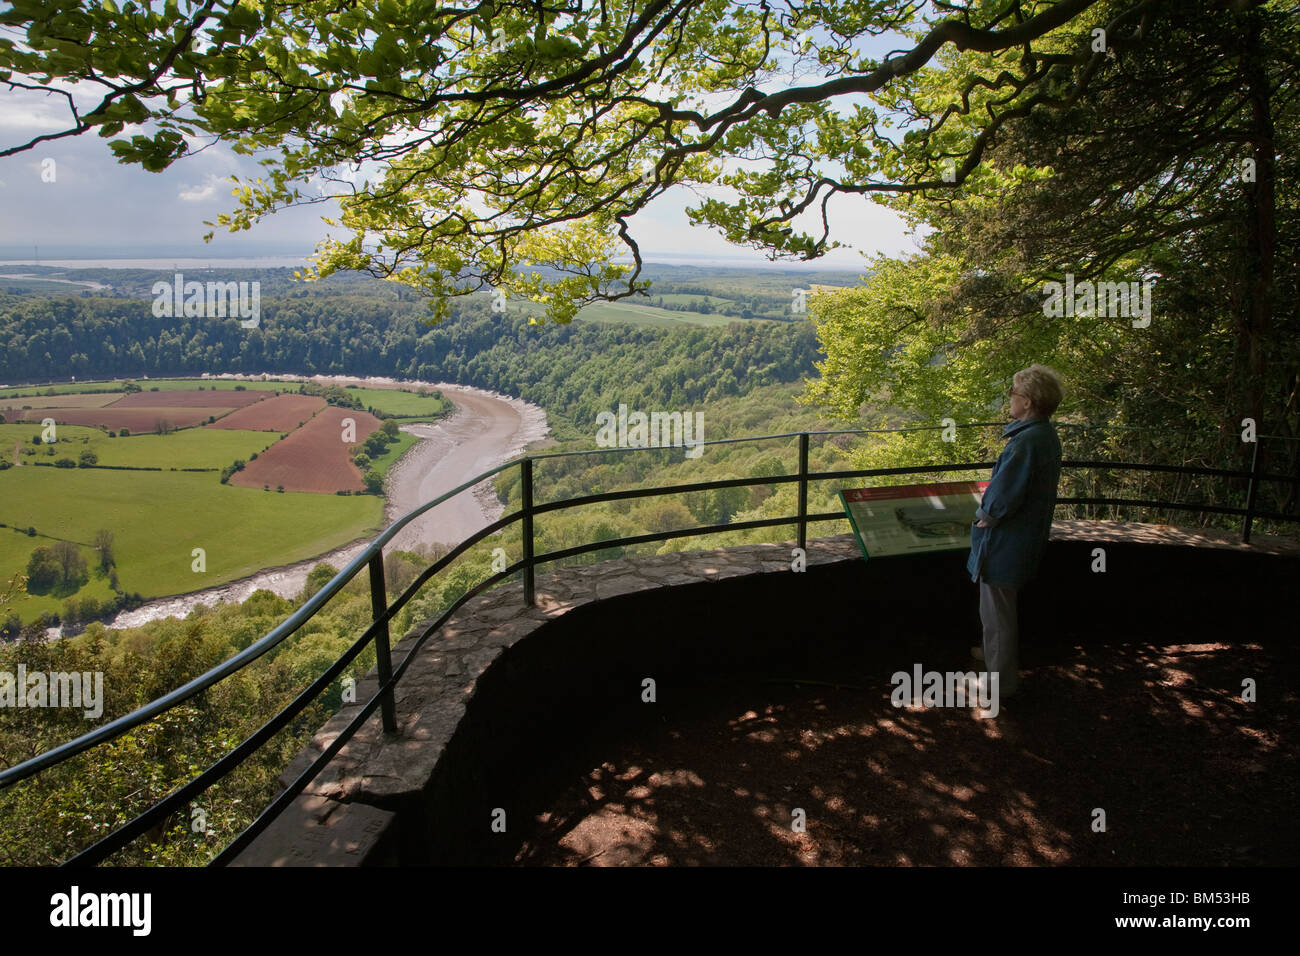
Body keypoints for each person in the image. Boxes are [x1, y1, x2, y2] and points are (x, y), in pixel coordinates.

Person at [966, 364, 1063, 700]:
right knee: (999, 613)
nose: (1010, 398)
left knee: (997, 617)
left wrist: (983, 516)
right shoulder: (1045, 436)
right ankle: (995, 661)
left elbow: (1003, 495)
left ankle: (1000, 684)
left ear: (1028, 402)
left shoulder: (1024, 443)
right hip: (1023, 540)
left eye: (1014, 394)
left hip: (1005, 544)